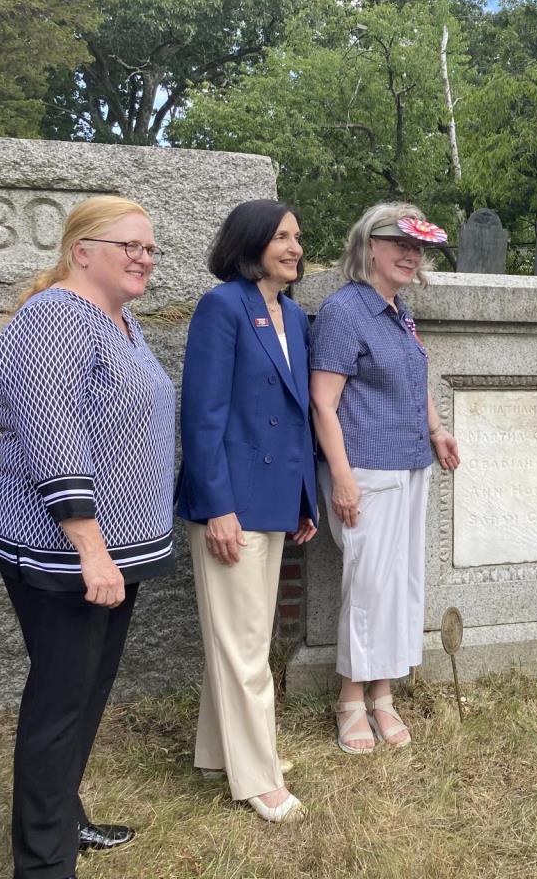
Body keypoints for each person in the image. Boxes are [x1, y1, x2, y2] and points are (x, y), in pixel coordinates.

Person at [0, 197, 175, 879]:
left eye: (150, 248)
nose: (144, 257)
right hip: (66, 552)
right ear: (81, 249)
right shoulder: (55, 319)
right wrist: (92, 549)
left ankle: (60, 816)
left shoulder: (120, 319)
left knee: (85, 694)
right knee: (61, 700)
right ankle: (43, 861)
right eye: (130, 246)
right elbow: (54, 443)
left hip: (112, 552)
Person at [175, 200, 318, 822]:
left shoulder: (293, 314)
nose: (294, 246)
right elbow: (202, 415)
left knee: (246, 637)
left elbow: (297, 418)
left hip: (276, 500)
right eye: (282, 236)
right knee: (244, 646)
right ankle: (258, 778)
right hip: (230, 502)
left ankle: (218, 753)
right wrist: (217, 508)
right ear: (251, 242)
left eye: (297, 236)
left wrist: (305, 499)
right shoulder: (222, 306)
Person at [309, 203, 461, 752]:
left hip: (410, 464)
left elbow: (414, 378)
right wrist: (342, 478)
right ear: (368, 244)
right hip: (364, 469)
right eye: (397, 241)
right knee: (369, 586)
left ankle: (383, 694)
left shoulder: (400, 312)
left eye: (416, 247)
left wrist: (437, 428)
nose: (409, 253)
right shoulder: (343, 312)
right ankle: (351, 699)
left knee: (399, 585)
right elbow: (322, 403)